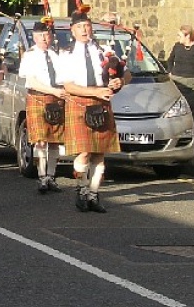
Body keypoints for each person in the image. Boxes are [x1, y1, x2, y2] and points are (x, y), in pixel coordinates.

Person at [58, 11, 130, 213]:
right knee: (84, 152)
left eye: (87, 26)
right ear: (72, 31)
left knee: (99, 153)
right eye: (80, 27)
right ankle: (81, 191)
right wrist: (95, 91)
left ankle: (94, 194)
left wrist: (120, 81)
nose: (84, 30)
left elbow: (127, 73)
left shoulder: (105, 51)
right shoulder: (66, 53)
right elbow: (68, 86)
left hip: (102, 103)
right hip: (80, 103)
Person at [19, 19, 67, 194]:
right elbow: (31, 82)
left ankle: (51, 176)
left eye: (47, 35)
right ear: (34, 37)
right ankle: (42, 177)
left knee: (54, 142)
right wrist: (53, 91)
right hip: (38, 98)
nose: (44, 39)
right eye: (40, 35)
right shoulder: (29, 56)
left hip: (56, 100)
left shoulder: (57, 55)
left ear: (51, 36)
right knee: (40, 141)